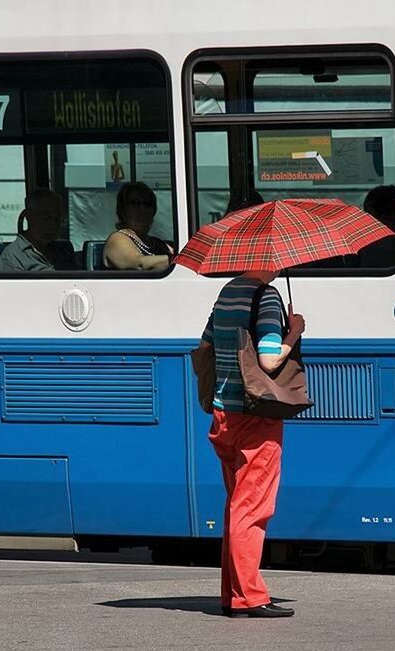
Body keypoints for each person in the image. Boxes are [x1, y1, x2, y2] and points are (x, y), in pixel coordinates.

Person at [198, 270, 305, 618]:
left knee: (236, 506)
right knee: (252, 508)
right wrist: (295, 331)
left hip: (224, 414)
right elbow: (269, 359)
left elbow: (206, 346)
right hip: (255, 416)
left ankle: (234, 594)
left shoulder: (228, 293)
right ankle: (251, 596)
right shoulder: (267, 296)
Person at [0, 189, 76, 272]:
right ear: (29, 217)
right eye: (46, 218)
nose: (53, 225)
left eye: (57, 219)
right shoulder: (13, 257)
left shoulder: (64, 250)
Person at [103, 182, 172, 271]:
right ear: (123, 209)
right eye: (135, 203)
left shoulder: (158, 243)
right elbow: (140, 264)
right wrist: (177, 261)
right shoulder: (117, 239)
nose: (142, 209)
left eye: (147, 203)